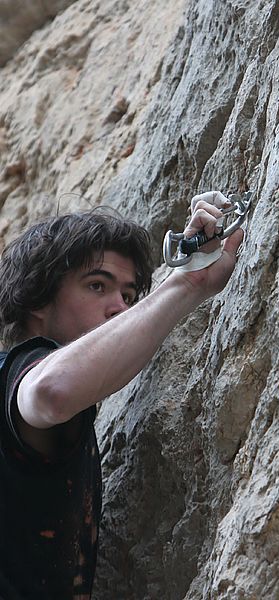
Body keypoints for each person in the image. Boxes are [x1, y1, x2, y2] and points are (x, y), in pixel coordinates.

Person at [0, 196, 243, 599]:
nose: (119, 308)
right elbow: (50, 391)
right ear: (38, 301)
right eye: (98, 286)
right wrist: (187, 283)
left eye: (129, 296)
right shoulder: (14, 372)